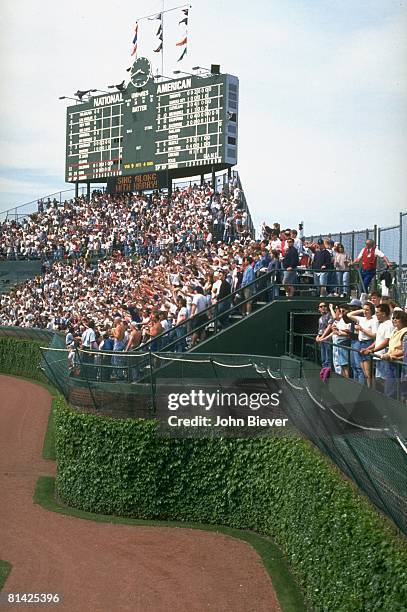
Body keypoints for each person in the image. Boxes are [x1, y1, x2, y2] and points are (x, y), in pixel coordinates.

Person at [360, 303, 393, 393]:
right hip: (378, 356)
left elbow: (386, 341)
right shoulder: (381, 324)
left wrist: (371, 350)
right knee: (379, 379)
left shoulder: (389, 324)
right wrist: (368, 348)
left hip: (383, 357)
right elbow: (377, 340)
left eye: (378, 312)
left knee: (384, 380)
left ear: (384, 313)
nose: (376, 314)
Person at [346, 302, 378, 387]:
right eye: (364, 309)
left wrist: (362, 329)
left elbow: (374, 335)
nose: (365, 311)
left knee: (368, 372)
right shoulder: (361, 319)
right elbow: (349, 315)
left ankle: (370, 389)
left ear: (371, 311)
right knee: (363, 370)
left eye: (367, 310)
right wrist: (361, 310)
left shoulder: (373, 321)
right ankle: (366, 388)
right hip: (360, 343)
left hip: (367, 343)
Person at [380, 310, 407, 397]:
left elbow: (404, 350)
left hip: (398, 364)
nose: (394, 320)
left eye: (397, 318)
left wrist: (391, 355)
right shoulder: (394, 331)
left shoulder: (405, 332)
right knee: (389, 388)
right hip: (390, 361)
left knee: (394, 390)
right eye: (393, 318)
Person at [315, 302, 332, 368]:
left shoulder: (329, 315)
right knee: (323, 358)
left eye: (323, 306)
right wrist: (318, 336)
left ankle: (328, 372)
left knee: (328, 358)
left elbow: (329, 327)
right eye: (320, 307)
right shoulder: (320, 318)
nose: (321, 308)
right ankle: (324, 371)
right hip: (321, 339)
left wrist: (322, 337)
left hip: (327, 339)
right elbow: (320, 329)